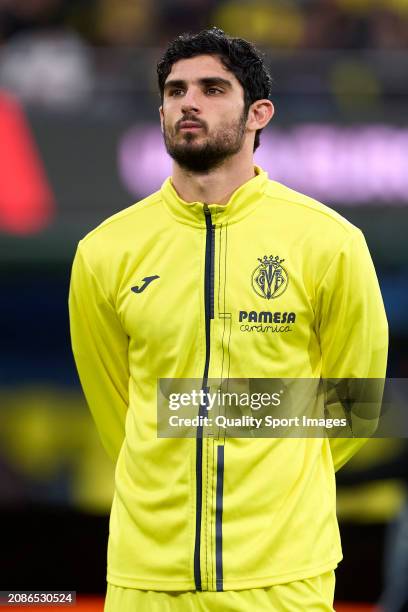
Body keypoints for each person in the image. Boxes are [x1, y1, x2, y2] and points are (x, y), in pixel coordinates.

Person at [68, 27, 388, 612]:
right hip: (145, 578)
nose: (188, 101)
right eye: (175, 90)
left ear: (258, 113)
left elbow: (358, 405)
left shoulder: (330, 241)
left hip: (284, 573)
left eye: (213, 88)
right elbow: (119, 411)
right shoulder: (103, 251)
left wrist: (215, 414)